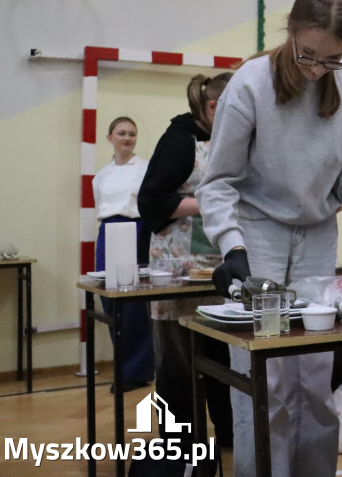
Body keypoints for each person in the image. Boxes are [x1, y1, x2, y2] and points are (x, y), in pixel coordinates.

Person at [197, 0, 342, 477]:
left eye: (332, 59)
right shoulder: (250, 84)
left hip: (317, 236)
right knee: (267, 379)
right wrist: (232, 247)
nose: (318, 69)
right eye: (308, 54)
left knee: (317, 376)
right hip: (259, 240)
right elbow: (218, 183)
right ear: (291, 31)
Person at [137, 72, 234, 451]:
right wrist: (210, 203)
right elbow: (151, 203)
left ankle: (228, 437)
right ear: (212, 107)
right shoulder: (178, 140)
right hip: (178, 266)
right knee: (177, 363)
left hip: (219, 267)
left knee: (222, 359)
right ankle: (180, 445)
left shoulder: (229, 138)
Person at [92, 116, 154, 393]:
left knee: (134, 303)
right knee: (110, 300)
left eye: (132, 134)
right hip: (108, 232)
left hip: (135, 230)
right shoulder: (101, 175)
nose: (127, 138)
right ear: (110, 138)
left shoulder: (145, 169)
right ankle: (124, 366)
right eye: (121, 133)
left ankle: (137, 371)